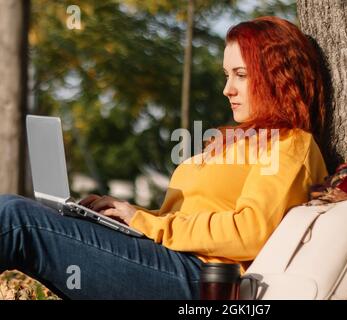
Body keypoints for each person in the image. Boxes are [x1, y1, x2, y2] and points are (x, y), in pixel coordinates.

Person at [0, 16, 328, 299]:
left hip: (199, 279)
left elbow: (251, 230)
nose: (227, 89)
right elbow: (178, 219)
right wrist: (125, 214)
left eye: (241, 75)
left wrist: (146, 222)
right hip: (167, 260)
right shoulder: (237, 142)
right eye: (227, 75)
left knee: (17, 218)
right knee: (16, 212)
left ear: (277, 75)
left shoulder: (290, 144)